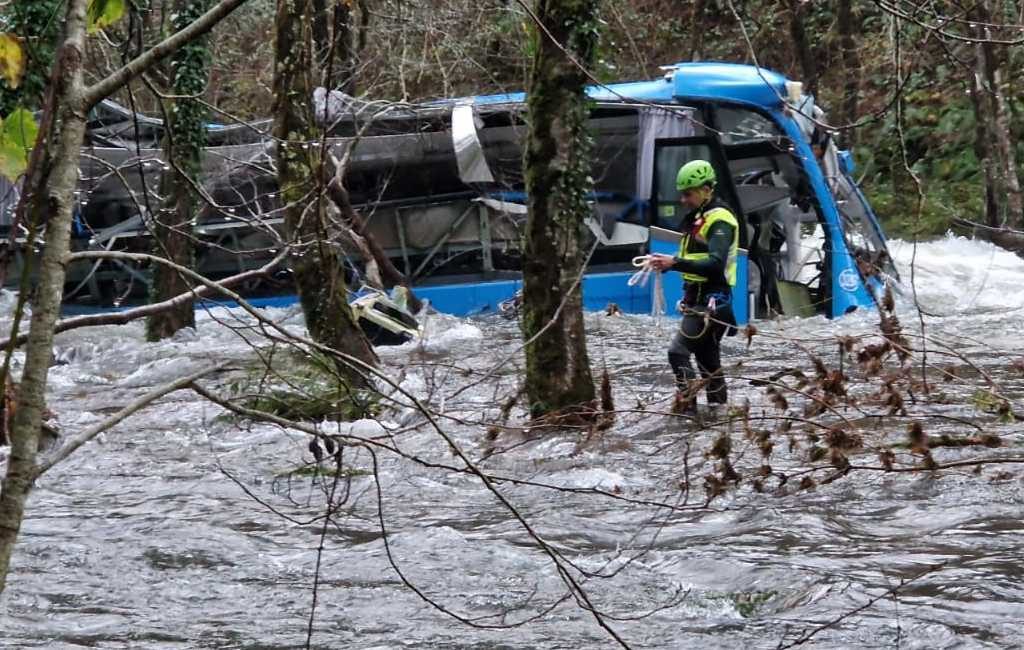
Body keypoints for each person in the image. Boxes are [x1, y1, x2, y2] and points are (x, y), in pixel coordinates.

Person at [648, 159, 739, 413]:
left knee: (678, 352)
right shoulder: (701, 217)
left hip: (712, 301)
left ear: (707, 189)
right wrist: (667, 265)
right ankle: (717, 418)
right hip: (701, 299)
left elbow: (715, 263)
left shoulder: (720, 220)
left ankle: (687, 413)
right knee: (708, 362)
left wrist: (673, 262)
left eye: (688, 194)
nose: (683, 200)